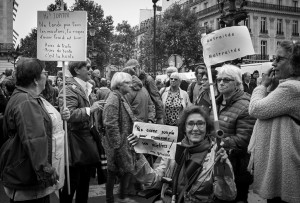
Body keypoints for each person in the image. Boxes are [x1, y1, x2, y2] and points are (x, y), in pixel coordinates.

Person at [128, 105, 237, 203]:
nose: (195, 129)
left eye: (200, 124)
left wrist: (222, 173)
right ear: (184, 128)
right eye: (190, 124)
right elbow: (153, 180)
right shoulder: (173, 148)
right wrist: (137, 155)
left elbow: (228, 196)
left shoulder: (217, 154)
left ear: (207, 127)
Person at [0, 57, 70, 203]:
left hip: (24, 173)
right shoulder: (26, 101)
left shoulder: (25, 97)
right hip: (27, 176)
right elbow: (34, 139)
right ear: (35, 80)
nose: (46, 76)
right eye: (44, 73)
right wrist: (46, 170)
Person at [248, 40, 300, 203]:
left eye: (279, 59)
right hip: (284, 160)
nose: (273, 63)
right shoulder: (288, 86)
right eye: (274, 58)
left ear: (294, 63)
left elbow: (256, 109)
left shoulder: (291, 88)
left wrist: (262, 85)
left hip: (285, 164)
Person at [58, 61, 103, 203]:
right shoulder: (69, 89)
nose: (91, 70)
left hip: (85, 139)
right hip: (75, 142)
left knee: (84, 183)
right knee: (72, 182)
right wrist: (90, 110)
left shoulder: (86, 87)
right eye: (88, 68)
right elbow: (69, 115)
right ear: (77, 70)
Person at [215, 64, 256, 203]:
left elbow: (243, 140)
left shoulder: (245, 106)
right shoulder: (218, 102)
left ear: (237, 82)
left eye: (226, 79)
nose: (221, 82)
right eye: (219, 79)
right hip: (219, 164)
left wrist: (219, 142)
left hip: (237, 168)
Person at [102, 72, 138, 203]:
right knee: (116, 172)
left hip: (123, 143)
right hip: (118, 145)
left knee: (122, 172)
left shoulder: (120, 97)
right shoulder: (114, 99)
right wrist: (117, 146)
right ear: (119, 85)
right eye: (127, 83)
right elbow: (110, 124)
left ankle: (119, 197)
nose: (131, 85)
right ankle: (114, 199)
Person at [125, 59, 164, 124]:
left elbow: (157, 99)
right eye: (129, 70)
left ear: (138, 67)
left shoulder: (148, 80)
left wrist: (159, 117)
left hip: (148, 114)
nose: (132, 71)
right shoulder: (129, 79)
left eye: (134, 69)